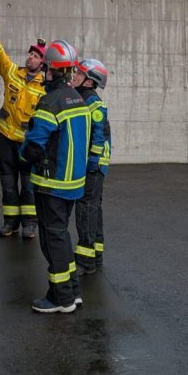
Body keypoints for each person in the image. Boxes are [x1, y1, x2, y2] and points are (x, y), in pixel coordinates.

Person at [20, 39, 93, 314]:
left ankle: (60, 298)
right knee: (61, 236)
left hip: (52, 183)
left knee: (52, 240)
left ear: (50, 70)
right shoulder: (79, 98)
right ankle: (72, 291)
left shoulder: (50, 102)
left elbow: (35, 145)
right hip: (73, 182)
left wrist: (22, 156)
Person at [0, 20, 46, 238]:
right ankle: (10, 222)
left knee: (28, 185)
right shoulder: (13, 73)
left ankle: (30, 224)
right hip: (7, 139)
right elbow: (0, 58)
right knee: (8, 183)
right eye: (30, 54)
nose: (31, 57)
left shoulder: (45, 86)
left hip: (28, 144)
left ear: (42, 63)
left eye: (36, 56)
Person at [72, 58, 111, 276]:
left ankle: (86, 260)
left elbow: (98, 134)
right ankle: (96, 254)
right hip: (94, 164)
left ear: (89, 81)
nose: (74, 75)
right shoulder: (83, 97)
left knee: (86, 208)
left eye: (79, 73)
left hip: (94, 166)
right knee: (93, 207)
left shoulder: (92, 102)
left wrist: (93, 162)